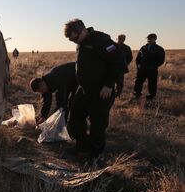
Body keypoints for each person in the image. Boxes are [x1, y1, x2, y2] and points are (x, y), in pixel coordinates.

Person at [64, 19, 124, 159]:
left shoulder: (101, 41)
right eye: (72, 40)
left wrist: (109, 85)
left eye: (76, 38)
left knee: (97, 124)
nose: (75, 42)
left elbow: (118, 62)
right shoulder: (81, 42)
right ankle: (82, 147)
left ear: (83, 30)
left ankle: (95, 155)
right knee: (74, 120)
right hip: (84, 89)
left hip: (101, 90)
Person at [133, 33, 165, 100]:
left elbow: (161, 60)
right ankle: (137, 93)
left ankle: (151, 97)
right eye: (148, 38)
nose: (149, 40)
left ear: (155, 39)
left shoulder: (159, 49)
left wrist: (153, 66)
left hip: (152, 70)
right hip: (142, 69)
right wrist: (138, 65)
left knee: (152, 83)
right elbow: (138, 58)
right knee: (138, 81)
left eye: (151, 38)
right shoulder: (143, 47)